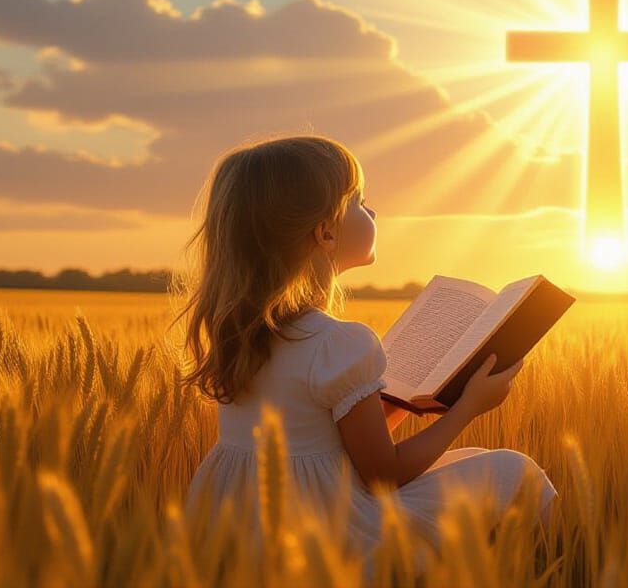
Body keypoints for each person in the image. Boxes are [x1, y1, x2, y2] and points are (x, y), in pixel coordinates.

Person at [174, 133, 557, 568]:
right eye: (358, 201)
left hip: (247, 533)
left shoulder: (239, 335)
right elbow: (383, 475)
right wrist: (468, 406)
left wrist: (401, 403)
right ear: (326, 232)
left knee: (474, 460)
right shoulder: (338, 341)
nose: (372, 210)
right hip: (334, 536)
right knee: (515, 471)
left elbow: (330, 443)